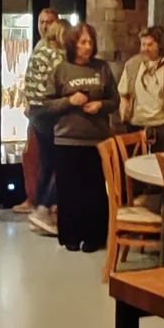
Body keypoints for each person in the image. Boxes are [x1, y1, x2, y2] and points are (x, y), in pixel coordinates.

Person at [44, 22, 120, 253]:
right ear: (73, 44)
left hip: (97, 140)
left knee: (95, 191)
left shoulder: (102, 68)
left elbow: (115, 100)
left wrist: (100, 105)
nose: (87, 46)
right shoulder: (62, 70)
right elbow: (46, 105)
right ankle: (70, 236)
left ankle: (94, 237)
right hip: (67, 139)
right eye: (83, 42)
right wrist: (70, 101)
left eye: (91, 42)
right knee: (69, 190)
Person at [20, 8, 65, 234]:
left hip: (38, 113)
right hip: (49, 114)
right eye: (42, 22)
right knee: (61, 163)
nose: (45, 26)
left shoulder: (41, 48)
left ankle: (41, 206)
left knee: (47, 162)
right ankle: (43, 208)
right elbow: (58, 85)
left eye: (49, 22)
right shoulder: (54, 53)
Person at [118, 25, 164, 152]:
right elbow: (124, 93)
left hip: (163, 127)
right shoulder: (132, 65)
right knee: (135, 162)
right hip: (136, 126)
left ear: (160, 45)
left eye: (150, 44)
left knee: (161, 163)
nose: (146, 48)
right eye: (143, 44)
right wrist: (124, 114)